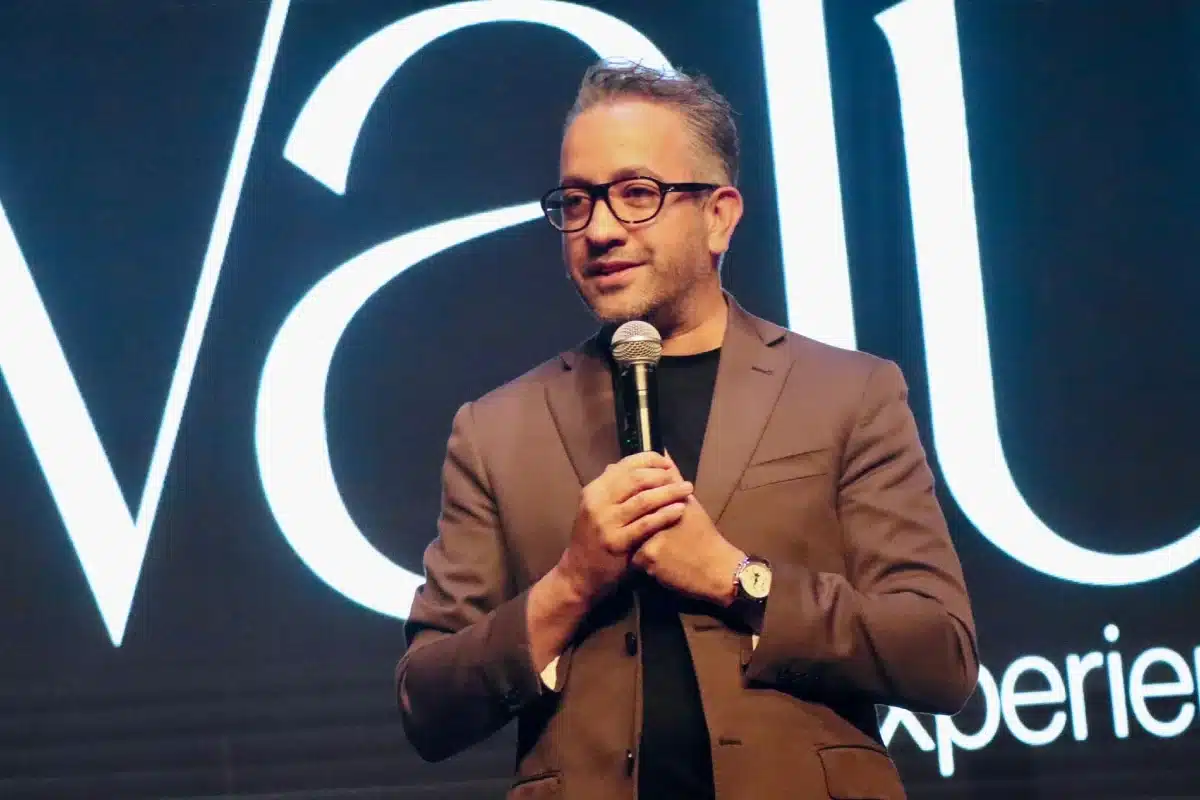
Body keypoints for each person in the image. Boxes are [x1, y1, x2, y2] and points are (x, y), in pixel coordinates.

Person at [396, 59, 978, 800]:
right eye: (576, 201)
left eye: (637, 194)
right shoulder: (496, 430)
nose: (599, 229)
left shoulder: (848, 393)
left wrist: (741, 579)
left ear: (719, 216)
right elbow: (427, 704)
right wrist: (571, 583)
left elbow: (941, 654)